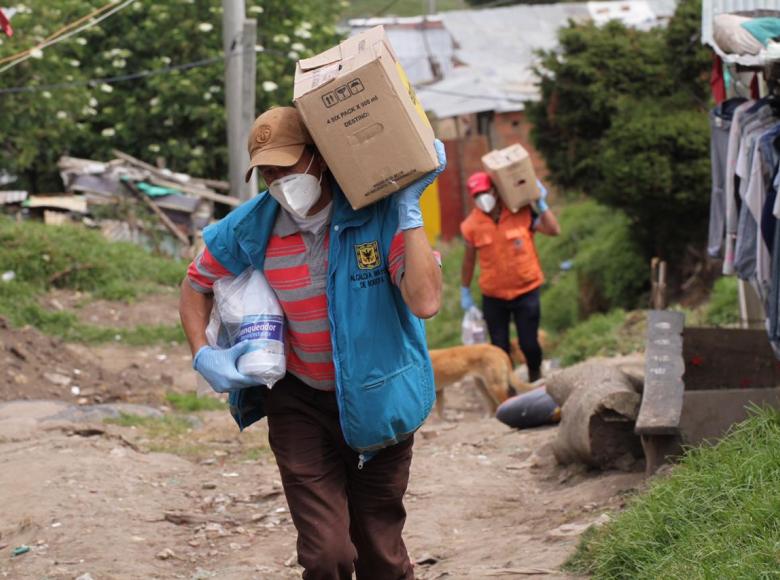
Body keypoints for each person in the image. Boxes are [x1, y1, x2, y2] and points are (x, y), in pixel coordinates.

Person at [179, 106, 445, 579]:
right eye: (267, 172)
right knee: (327, 555)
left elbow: (424, 301)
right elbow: (196, 283)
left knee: (379, 551)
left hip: (378, 396)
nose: (279, 181)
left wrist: (408, 212)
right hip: (299, 404)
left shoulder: (377, 213)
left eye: (288, 166)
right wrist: (203, 352)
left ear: (319, 157)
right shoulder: (251, 226)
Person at [459, 170, 560, 383]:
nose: (482, 199)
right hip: (494, 295)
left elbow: (554, 230)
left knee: (529, 344)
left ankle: (535, 376)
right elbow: (469, 261)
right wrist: (465, 290)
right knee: (499, 348)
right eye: (476, 196)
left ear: (495, 191)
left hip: (526, 290)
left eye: (484, 193)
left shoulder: (521, 213)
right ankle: (510, 389)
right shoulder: (471, 226)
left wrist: (541, 204)